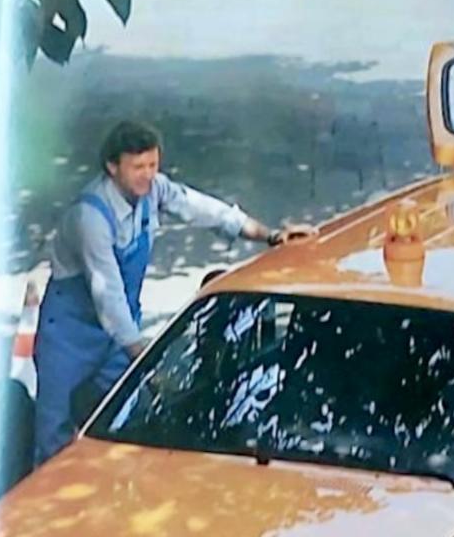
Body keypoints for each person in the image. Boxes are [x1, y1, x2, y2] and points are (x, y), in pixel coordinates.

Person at [31, 119, 315, 465]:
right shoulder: (89, 218)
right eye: (137, 167)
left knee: (128, 420)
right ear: (112, 167)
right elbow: (109, 297)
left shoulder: (155, 190)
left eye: (152, 164)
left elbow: (205, 210)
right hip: (69, 336)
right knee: (54, 430)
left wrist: (269, 235)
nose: (148, 175)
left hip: (118, 335)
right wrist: (147, 361)